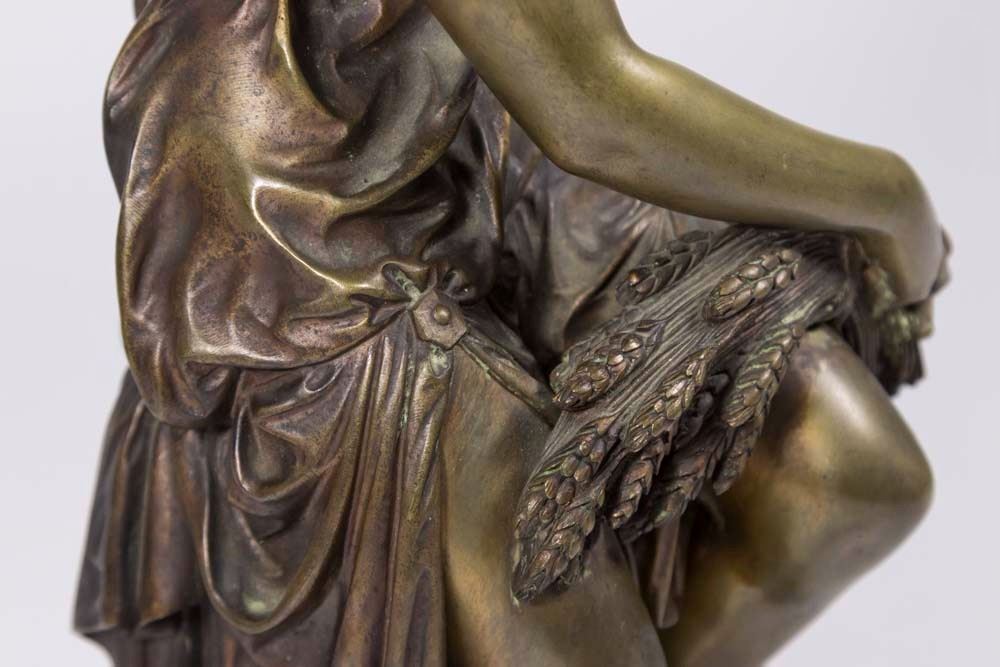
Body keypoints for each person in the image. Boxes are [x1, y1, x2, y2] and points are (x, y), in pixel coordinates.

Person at [76, 1, 946, 665]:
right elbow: (594, 107)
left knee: (854, 469)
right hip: (322, 267)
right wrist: (891, 201)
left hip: (459, 140)